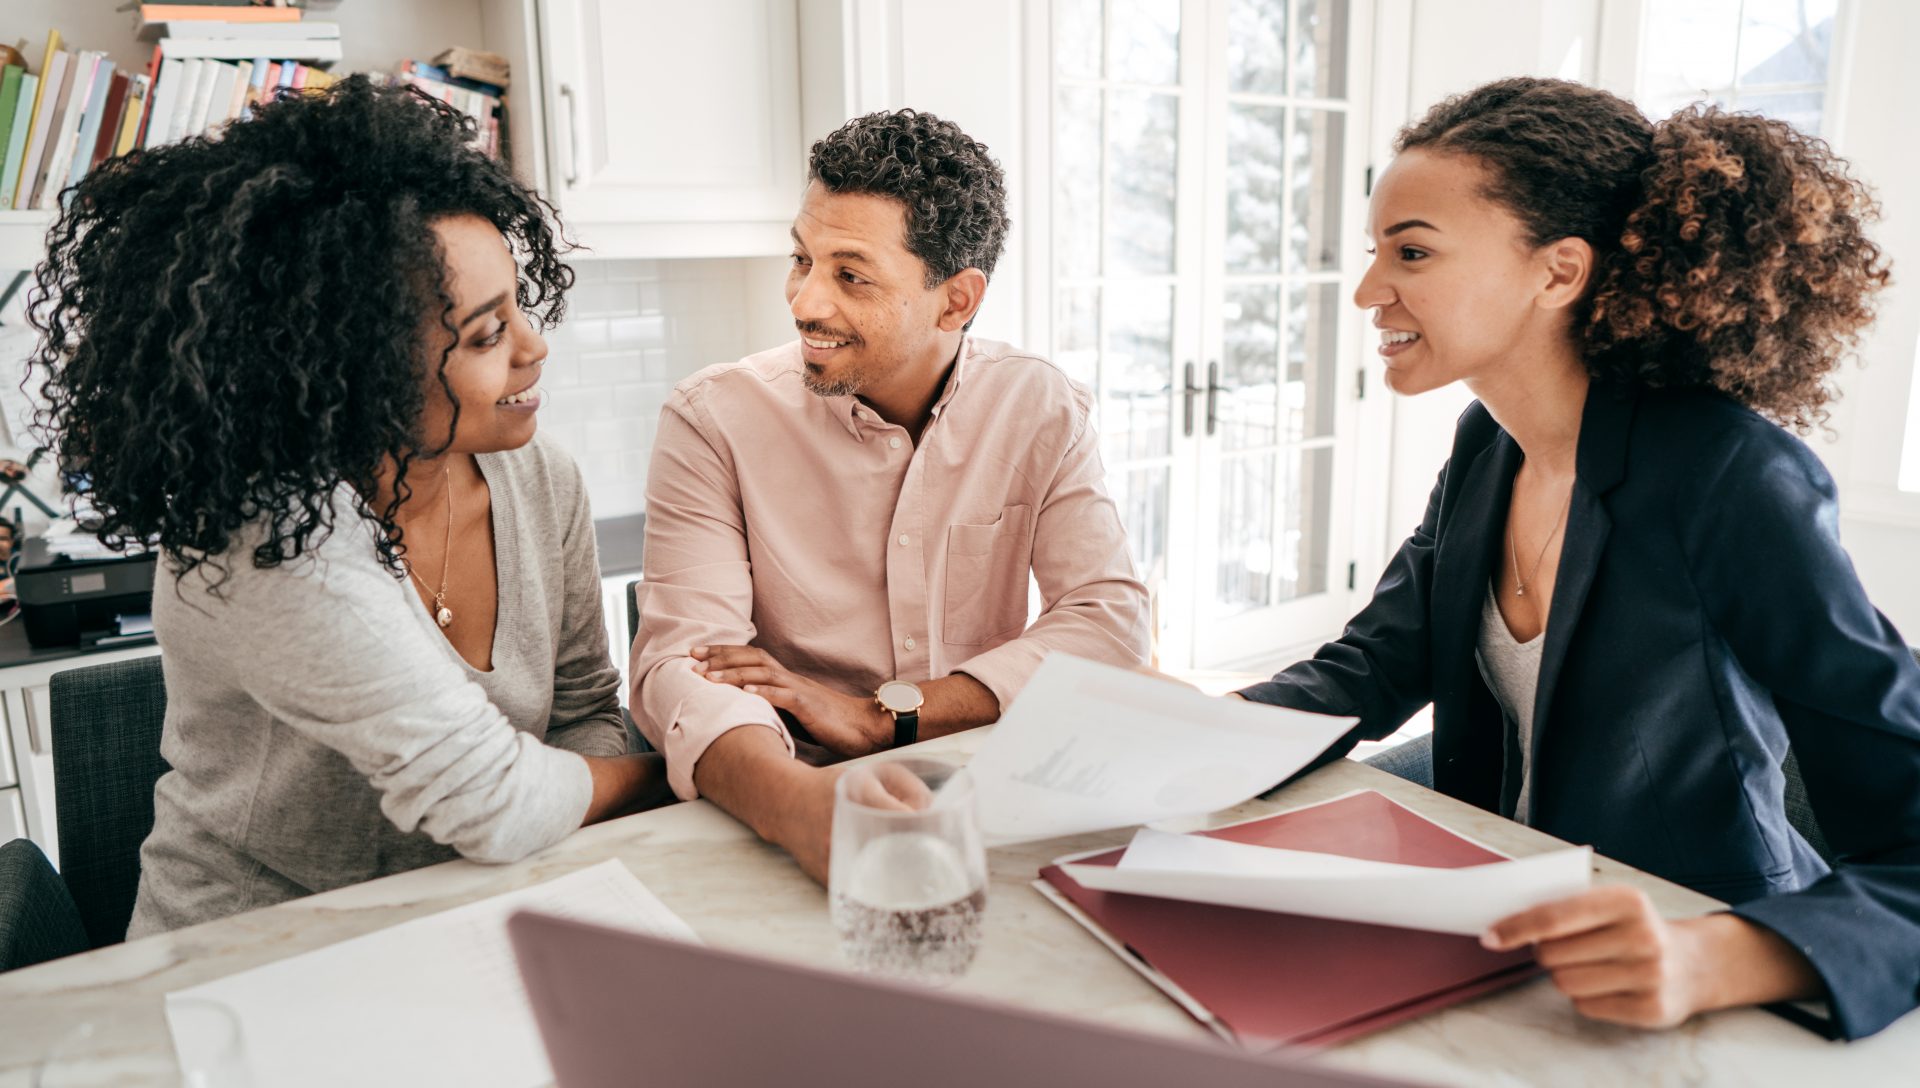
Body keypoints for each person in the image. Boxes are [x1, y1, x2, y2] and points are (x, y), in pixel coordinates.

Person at [1236, 77, 1918, 1040]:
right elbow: (1371, 665)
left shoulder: (1728, 474)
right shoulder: (1489, 445)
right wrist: (1182, 731)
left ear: (1558, 271)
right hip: (1513, 942)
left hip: (1695, 962)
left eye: (1413, 252)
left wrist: (1714, 955)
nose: (1367, 291)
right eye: (1375, 252)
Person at [28, 77, 673, 936]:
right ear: (358, 370)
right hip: (260, 949)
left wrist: (564, 812)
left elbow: (585, 710)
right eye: (485, 334)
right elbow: (494, 799)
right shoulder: (265, 537)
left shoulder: (540, 477)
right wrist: (677, 770)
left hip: (473, 911)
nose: (535, 346)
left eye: (519, 306)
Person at [630, 109, 1150, 879]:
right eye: (801, 259)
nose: (805, 302)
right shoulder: (713, 419)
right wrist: (799, 806)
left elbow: (1109, 622)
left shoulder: (1039, 408)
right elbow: (681, 666)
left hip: (990, 794)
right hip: (782, 800)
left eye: (851, 275)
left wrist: (890, 717)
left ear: (957, 300)